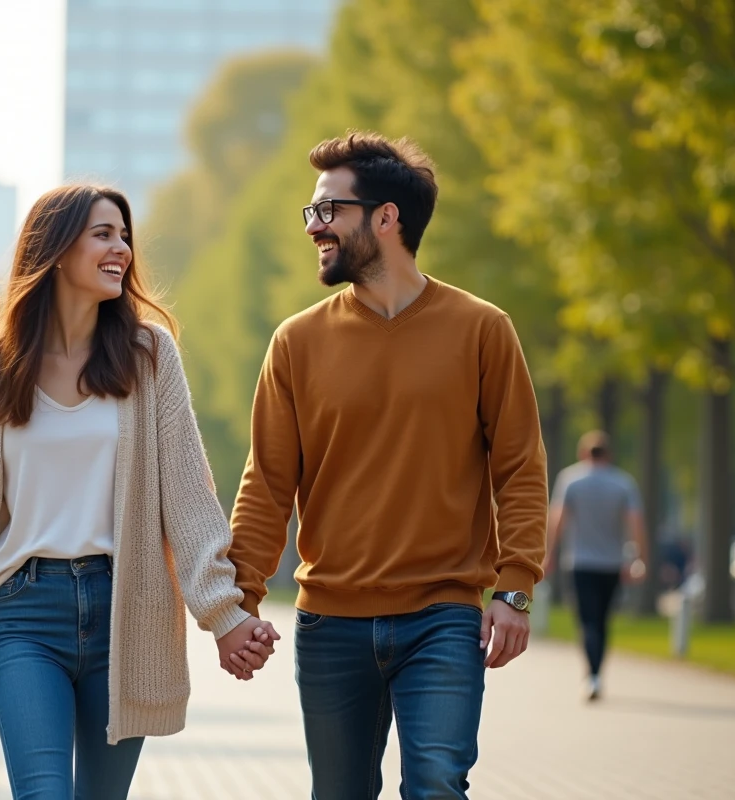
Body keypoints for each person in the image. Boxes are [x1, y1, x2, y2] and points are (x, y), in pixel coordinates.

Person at [0, 184, 279, 798]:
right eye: (103, 234)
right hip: (24, 612)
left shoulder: (150, 357)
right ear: (57, 250)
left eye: (124, 236)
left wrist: (224, 614)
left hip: (125, 608)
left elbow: (187, 494)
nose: (121, 248)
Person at [227, 132, 548, 798]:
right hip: (330, 623)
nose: (315, 227)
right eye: (311, 213)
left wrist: (515, 588)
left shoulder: (482, 329)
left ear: (385, 217)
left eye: (329, 211)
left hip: (444, 616)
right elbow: (267, 483)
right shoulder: (297, 342)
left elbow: (518, 468)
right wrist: (240, 601)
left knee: (436, 782)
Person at [544, 430, 648, 701]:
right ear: (609, 454)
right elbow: (636, 523)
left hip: (580, 562)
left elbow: (558, 519)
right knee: (602, 620)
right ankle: (596, 673)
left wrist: (549, 554)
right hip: (612, 563)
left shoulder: (570, 480)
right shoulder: (624, 483)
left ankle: (591, 675)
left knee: (586, 620)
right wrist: (638, 558)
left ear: (583, 454)